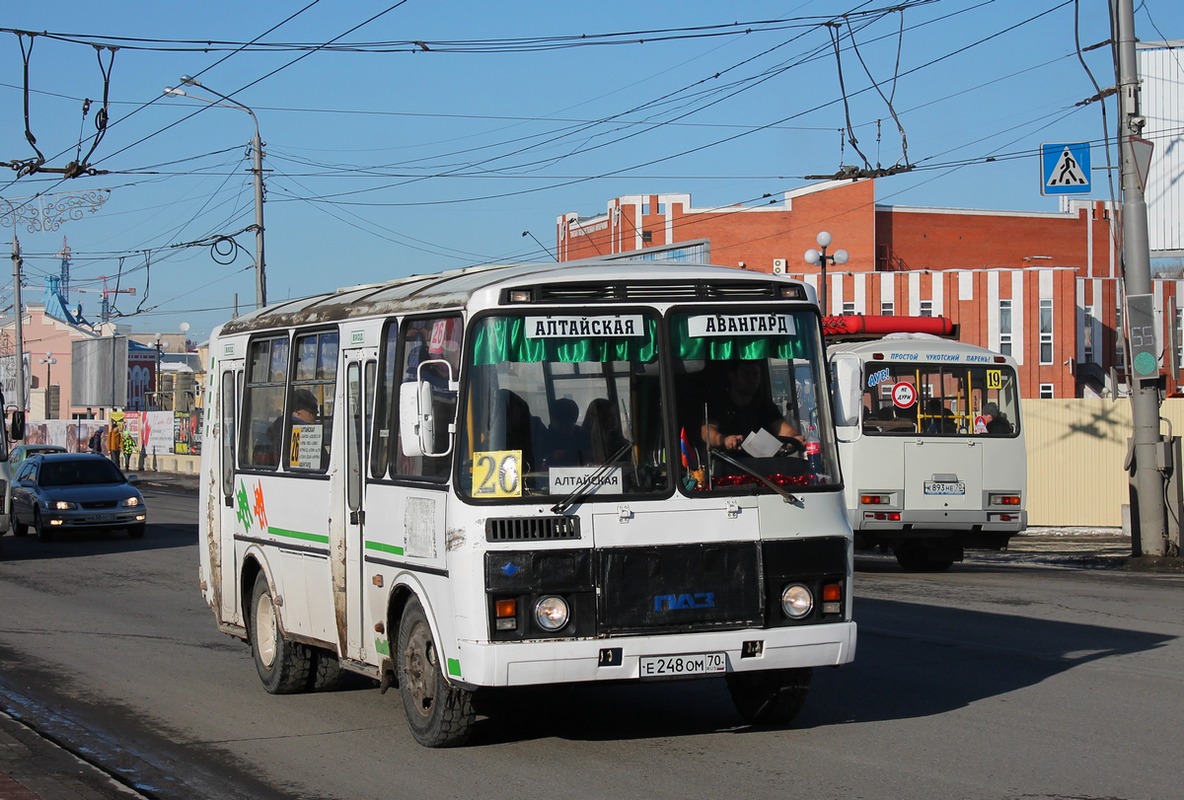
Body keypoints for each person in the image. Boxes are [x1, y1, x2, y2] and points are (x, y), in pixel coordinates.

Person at [702, 361, 800, 451]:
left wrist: (794, 438)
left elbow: (786, 430)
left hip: (762, 466)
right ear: (732, 377)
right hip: (729, 465)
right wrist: (724, 440)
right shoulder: (719, 405)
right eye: (746, 374)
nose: (752, 379)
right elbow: (707, 432)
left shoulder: (765, 405)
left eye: (756, 374)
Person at [543, 397, 588, 466]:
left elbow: (595, 457)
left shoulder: (583, 436)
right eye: (560, 426)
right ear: (552, 419)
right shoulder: (541, 438)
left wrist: (567, 454)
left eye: (569, 426)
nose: (564, 430)